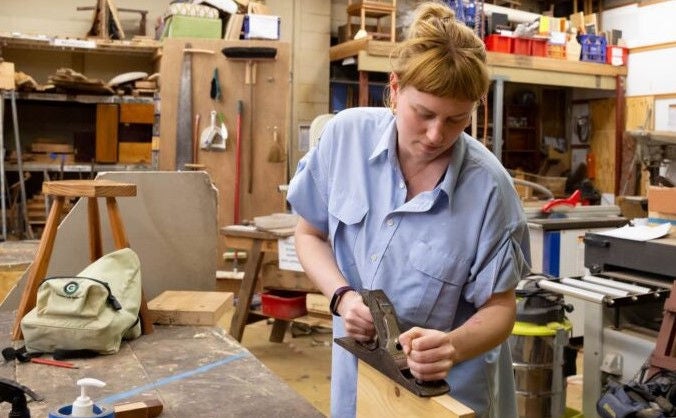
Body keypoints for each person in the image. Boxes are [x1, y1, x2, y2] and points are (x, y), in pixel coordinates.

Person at [286, 2, 531, 417]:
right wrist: (342, 298)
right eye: (424, 114)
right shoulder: (345, 139)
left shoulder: (490, 189)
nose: (437, 134)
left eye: (457, 120)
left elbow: (500, 308)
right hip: (360, 377)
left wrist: (451, 346)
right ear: (395, 89)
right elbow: (309, 234)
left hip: (447, 395)